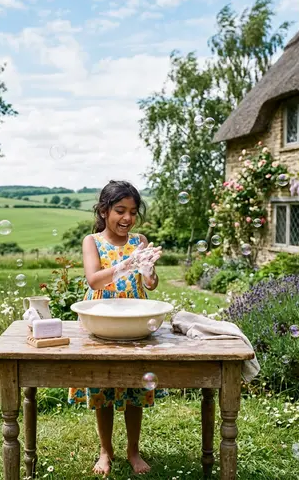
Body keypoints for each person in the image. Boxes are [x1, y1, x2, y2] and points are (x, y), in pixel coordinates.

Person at [68, 180, 166, 476]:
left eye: (133, 212)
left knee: (137, 382)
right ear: (104, 210)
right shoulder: (92, 241)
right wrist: (125, 265)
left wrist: (147, 271)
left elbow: (150, 283)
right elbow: (94, 280)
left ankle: (133, 450)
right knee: (103, 386)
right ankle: (105, 451)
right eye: (120, 210)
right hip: (102, 319)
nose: (127, 218)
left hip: (135, 318)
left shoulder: (140, 241)